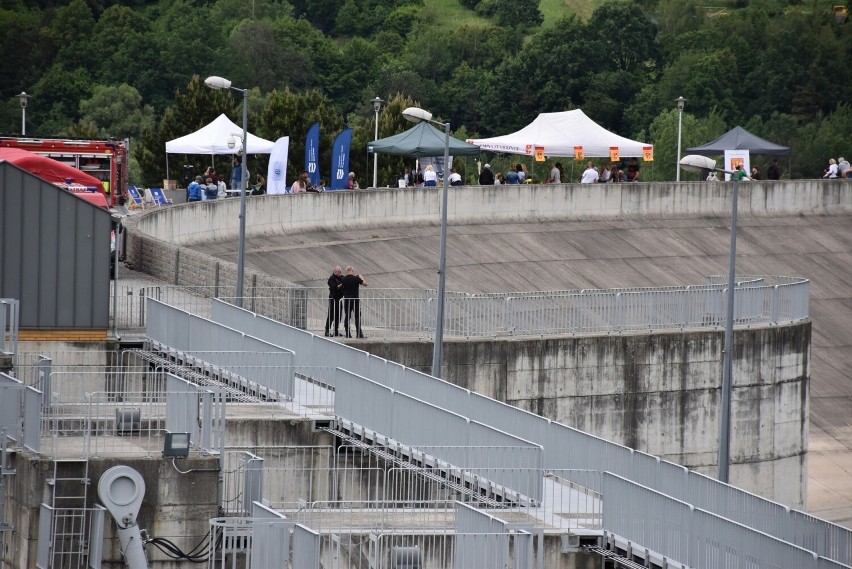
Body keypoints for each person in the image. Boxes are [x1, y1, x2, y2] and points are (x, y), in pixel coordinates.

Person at [341, 266, 367, 338]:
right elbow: (365, 284)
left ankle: (347, 334)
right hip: (355, 300)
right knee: (357, 316)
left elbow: (341, 287)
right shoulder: (356, 278)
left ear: (347, 271)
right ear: (352, 270)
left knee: (347, 316)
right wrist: (362, 278)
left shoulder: (343, 279)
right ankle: (359, 333)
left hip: (347, 299)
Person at [324, 266, 344, 337]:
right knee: (331, 315)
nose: (341, 273)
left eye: (341, 271)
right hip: (333, 299)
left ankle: (336, 330)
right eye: (340, 271)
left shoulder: (342, 277)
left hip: (339, 299)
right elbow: (334, 288)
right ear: (336, 271)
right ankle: (327, 330)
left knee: (338, 315)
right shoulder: (331, 279)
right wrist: (342, 284)